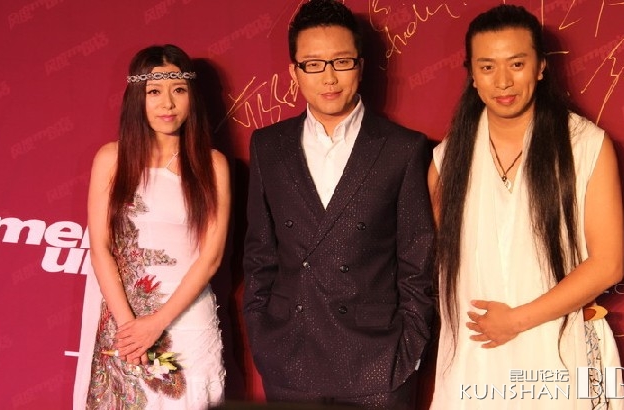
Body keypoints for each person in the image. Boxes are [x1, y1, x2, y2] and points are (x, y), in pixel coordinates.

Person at [427, 4, 624, 409]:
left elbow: (608, 264)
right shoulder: (447, 160)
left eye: (516, 64)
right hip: (474, 363)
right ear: (472, 75)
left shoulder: (586, 145)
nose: (503, 81)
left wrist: (516, 320)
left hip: (559, 354)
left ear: (540, 67)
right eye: (487, 67)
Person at [242, 1, 436, 409]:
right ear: (294, 72)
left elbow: (418, 263)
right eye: (313, 64)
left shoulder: (403, 148)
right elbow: (260, 255)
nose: (328, 77)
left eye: (341, 62)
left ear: (360, 66)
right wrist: (263, 337)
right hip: (290, 358)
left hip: (378, 363)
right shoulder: (268, 146)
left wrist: (407, 352)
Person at [73, 44, 230, 409]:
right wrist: (130, 327)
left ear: (192, 97)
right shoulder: (112, 159)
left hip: (187, 319)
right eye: (154, 92)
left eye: (179, 90)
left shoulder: (212, 164)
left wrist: (157, 322)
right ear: (137, 98)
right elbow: (100, 248)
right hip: (124, 319)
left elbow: (211, 257)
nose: (167, 104)